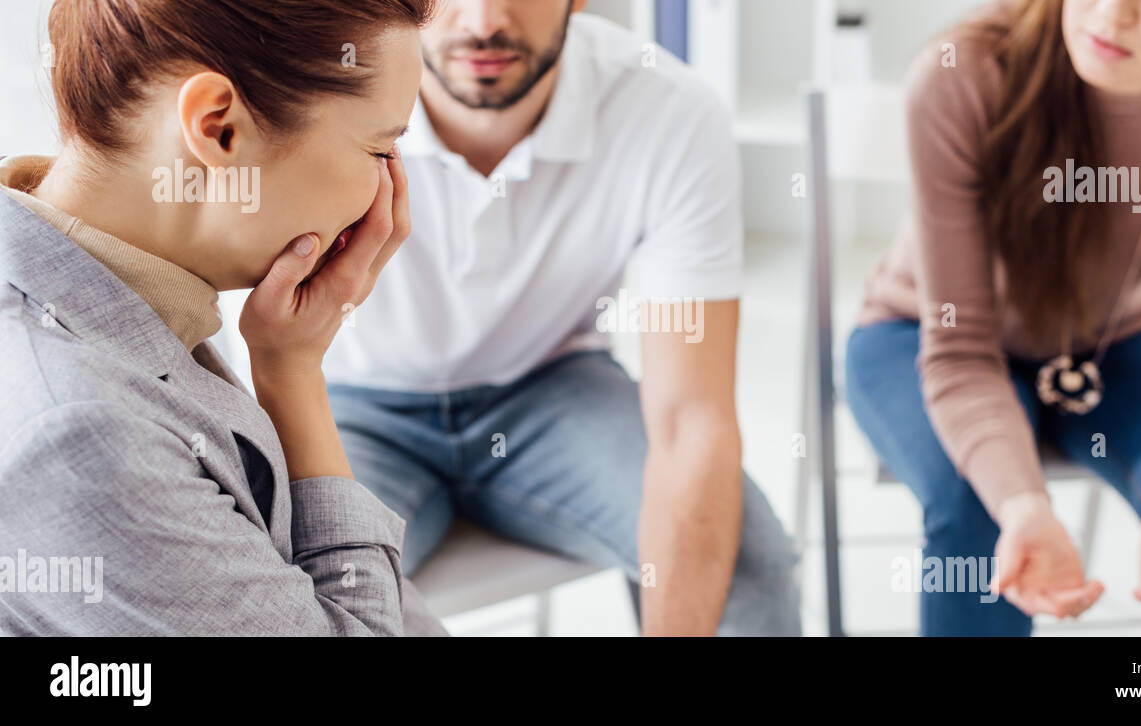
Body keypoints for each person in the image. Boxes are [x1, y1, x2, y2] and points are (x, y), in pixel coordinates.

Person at [306, 0, 801, 635]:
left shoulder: (668, 109)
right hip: (347, 403)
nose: (484, 20)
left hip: (552, 388)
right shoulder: (323, 89)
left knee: (746, 565)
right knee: (308, 586)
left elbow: (692, 420)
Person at [846, 0, 1141, 635]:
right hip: (920, 334)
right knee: (979, 515)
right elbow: (961, 350)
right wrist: (1023, 503)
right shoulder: (963, 72)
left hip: (1123, 337)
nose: (1113, 13)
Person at [0, 0, 446, 636]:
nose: (388, 198)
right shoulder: (76, 428)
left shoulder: (129, 287)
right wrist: (294, 379)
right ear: (218, 128)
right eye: (380, 150)